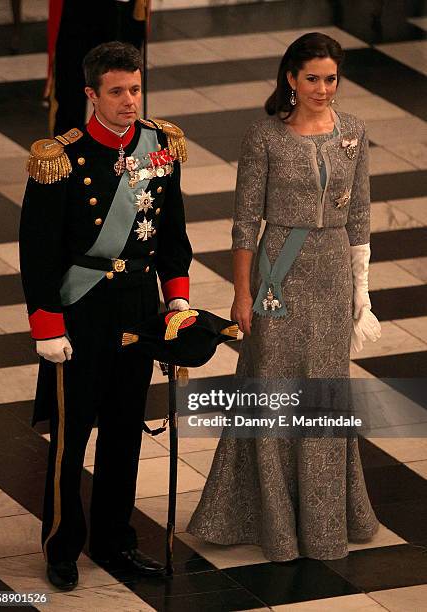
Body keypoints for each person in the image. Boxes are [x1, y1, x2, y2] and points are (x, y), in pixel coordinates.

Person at [187, 32, 381, 562]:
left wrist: (362, 293)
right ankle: (271, 523)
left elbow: (360, 216)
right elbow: (246, 221)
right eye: (313, 78)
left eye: (331, 78)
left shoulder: (355, 132)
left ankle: (324, 524)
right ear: (291, 79)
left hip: (333, 274)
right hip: (280, 275)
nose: (323, 88)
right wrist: (242, 293)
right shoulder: (264, 136)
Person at [19, 41, 192, 590]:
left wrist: (178, 297)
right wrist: (47, 325)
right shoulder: (61, 158)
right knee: (73, 438)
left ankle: (115, 541)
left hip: (139, 307)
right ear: (91, 95)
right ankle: (62, 544)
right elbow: (38, 249)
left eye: (136, 89)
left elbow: (171, 232)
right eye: (116, 92)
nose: (129, 101)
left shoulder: (160, 147)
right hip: (83, 309)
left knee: (126, 432)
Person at [45, 0, 148, 135]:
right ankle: (68, 151)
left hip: (124, 9)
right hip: (79, 11)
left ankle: (121, 148)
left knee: (124, 82)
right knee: (70, 89)